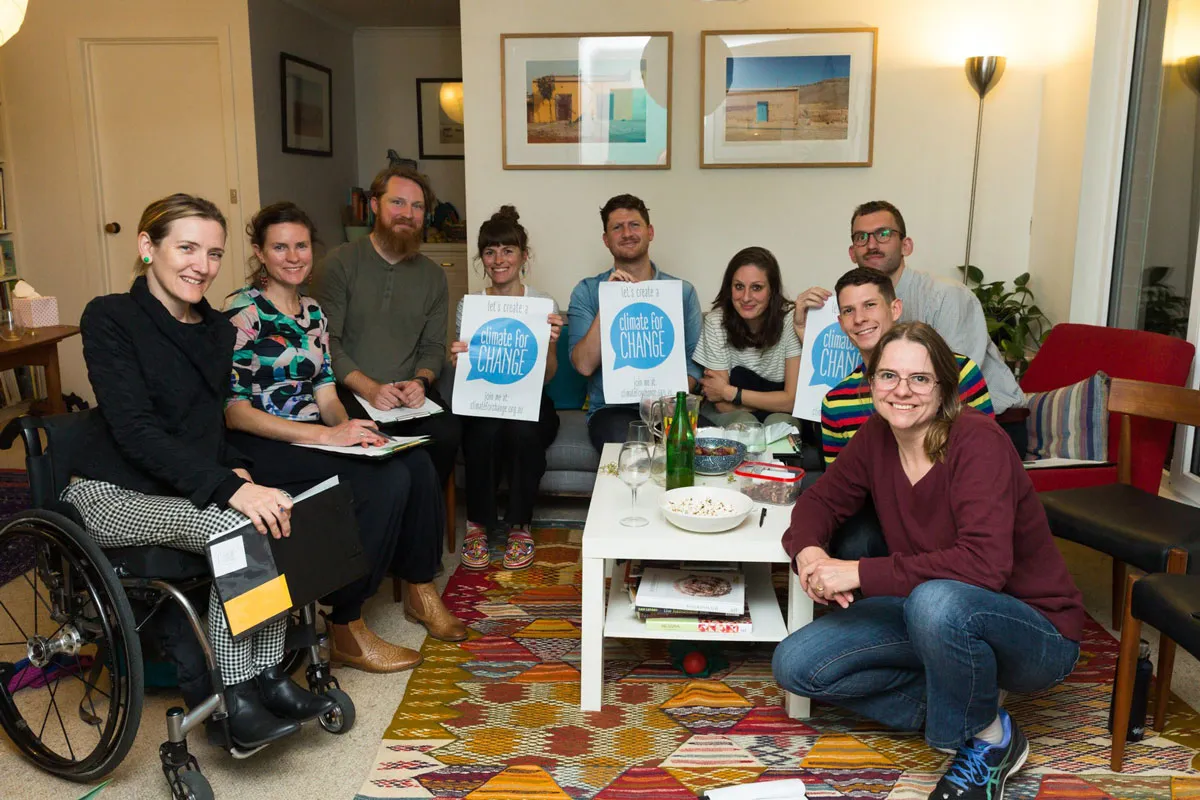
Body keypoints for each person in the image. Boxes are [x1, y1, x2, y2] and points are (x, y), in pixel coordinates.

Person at [62, 194, 336, 752]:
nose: (201, 265)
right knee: (231, 526)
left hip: (177, 483)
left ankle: (268, 676)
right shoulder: (110, 316)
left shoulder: (215, 329)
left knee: (276, 510)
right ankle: (232, 698)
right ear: (147, 247)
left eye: (214, 253)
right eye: (187, 248)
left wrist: (237, 473)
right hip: (110, 489)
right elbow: (136, 431)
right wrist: (231, 489)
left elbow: (205, 423)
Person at [772, 321, 1085, 800]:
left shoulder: (977, 442)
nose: (902, 391)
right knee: (797, 666)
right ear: (870, 382)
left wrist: (856, 571)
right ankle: (966, 700)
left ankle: (988, 740)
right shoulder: (877, 436)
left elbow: (985, 566)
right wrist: (810, 552)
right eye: (888, 377)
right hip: (929, 607)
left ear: (943, 388)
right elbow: (819, 502)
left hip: (1034, 629)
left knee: (935, 602)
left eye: (919, 379)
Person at [223, 202, 466, 668]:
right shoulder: (241, 313)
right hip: (265, 443)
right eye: (280, 247)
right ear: (259, 251)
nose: (293, 257)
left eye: (300, 246)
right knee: (384, 482)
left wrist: (349, 428)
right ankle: (346, 624)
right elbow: (235, 413)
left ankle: (419, 587)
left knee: (413, 461)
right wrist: (322, 437)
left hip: (314, 433)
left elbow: (324, 389)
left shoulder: (312, 311)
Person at [794, 200, 1027, 455]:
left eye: (883, 234)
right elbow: (855, 379)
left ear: (906, 245)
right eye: (862, 237)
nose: (872, 244)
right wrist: (811, 337)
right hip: (907, 426)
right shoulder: (854, 302)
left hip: (987, 423)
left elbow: (951, 383)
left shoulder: (946, 296)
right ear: (852, 252)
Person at [313, 166, 462, 484]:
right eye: (398, 203)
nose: (408, 214)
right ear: (375, 205)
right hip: (352, 391)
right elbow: (328, 344)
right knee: (375, 450)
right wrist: (369, 388)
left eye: (417, 206)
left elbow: (433, 346)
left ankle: (423, 520)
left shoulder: (433, 276)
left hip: (411, 395)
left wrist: (421, 382)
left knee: (448, 433)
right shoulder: (337, 265)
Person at [448, 206, 562, 571]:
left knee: (523, 431)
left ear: (523, 255)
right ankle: (478, 524)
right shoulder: (470, 305)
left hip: (529, 400)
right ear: (482, 258)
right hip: (486, 400)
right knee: (482, 431)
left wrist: (550, 345)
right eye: (490, 251)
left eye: (508, 250)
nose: (499, 260)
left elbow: (546, 377)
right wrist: (460, 361)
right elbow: (470, 372)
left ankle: (519, 525)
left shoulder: (542, 304)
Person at [568, 194, 705, 452]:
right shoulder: (587, 291)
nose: (627, 233)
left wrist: (667, 402)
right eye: (617, 227)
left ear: (650, 232)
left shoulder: (681, 292)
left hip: (670, 408)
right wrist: (609, 301)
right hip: (611, 410)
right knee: (634, 450)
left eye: (634, 225)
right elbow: (584, 366)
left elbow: (695, 366)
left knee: (706, 447)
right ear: (606, 240)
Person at [822, 267, 993, 465]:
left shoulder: (960, 371)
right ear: (841, 323)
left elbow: (988, 457)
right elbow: (839, 489)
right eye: (848, 311)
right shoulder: (835, 403)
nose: (859, 319)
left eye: (870, 305)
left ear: (895, 309)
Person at [692, 246, 801, 428]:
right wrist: (771, 402)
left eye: (757, 288)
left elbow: (791, 402)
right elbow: (721, 404)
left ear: (772, 290)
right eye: (739, 287)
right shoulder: (715, 322)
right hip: (730, 416)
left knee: (783, 424)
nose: (746, 297)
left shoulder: (791, 319)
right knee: (745, 425)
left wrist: (731, 393)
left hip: (778, 414)